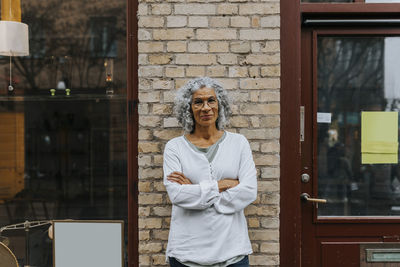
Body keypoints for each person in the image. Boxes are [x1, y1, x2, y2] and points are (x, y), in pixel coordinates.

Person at [163, 77, 258, 267]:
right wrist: (222, 185)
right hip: (187, 253)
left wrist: (197, 191)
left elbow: (248, 192)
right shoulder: (175, 148)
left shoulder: (238, 144)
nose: (206, 108)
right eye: (198, 102)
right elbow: (177, 195)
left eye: (211, 101)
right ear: (188, 108)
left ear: (219, 104)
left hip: (232, 253)